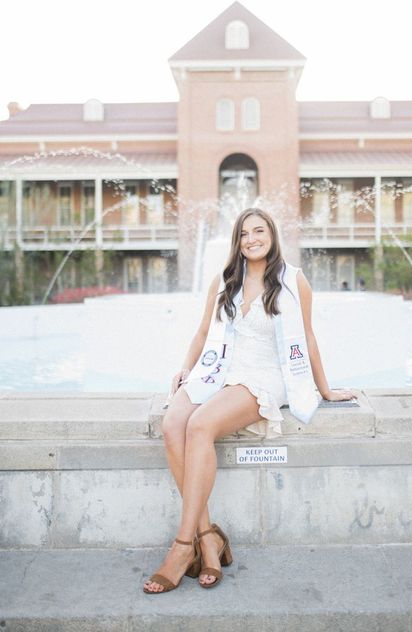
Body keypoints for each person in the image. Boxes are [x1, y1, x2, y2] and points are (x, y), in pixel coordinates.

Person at [143, 207, 358, 594]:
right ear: (237, 242)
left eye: (259, 231)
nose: (251, 239)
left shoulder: (293, 281)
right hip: (219, 369)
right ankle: (207, 536)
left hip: (262, 374)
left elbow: (307, 337)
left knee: (201, 425)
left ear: (272, 235)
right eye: (244, 234)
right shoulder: (226, 281)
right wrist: (185, 369)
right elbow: (203, 331)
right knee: (173, 424)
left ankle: (180, 547)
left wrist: (325, 390)